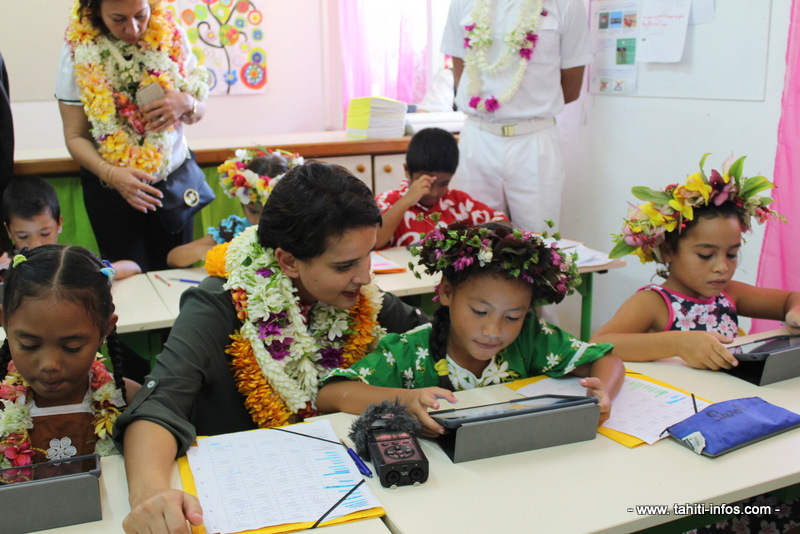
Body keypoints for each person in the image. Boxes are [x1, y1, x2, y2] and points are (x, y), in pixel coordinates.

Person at [116, 162, 430, 532]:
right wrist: (151, 495)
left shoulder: (360, 297)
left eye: (368, 256)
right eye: (345, 265)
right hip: (253, 504)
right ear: (287, 261)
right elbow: (158, 405)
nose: (365, 276)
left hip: (348, 495)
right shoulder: (219, 306)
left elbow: (431, 336)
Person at [317, 222, 624, 435]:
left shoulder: (530, 338)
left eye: (512, 317)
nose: (493, 330)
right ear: (447, 292)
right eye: (479, 311)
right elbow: (330, 395)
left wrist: (603, 396)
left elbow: (606, 359)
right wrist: (405, 400)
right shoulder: (412, 352)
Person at [592, 154, 800, 370]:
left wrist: (795, 312)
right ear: (668, 251)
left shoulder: (729, 294)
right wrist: (677, 344)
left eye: (731, 254)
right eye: (705, 255)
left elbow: (791, 299)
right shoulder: (653, 303)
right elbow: (600, 344)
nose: (722, 267)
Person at [56, 0, 210, 272]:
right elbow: (75, 136)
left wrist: (187, 103)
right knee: (128, 285)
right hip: (111, 188)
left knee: (176, 278)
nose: (134, 28)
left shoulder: (171, 34)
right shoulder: (77, 51)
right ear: (95, 12)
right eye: (118, 19)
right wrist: (112, 174)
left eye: (141, 14)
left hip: (171, 183)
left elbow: (198, 112)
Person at [440, 0, 592, 232]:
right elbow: (462, 70)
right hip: (479, 137)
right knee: (472, 239)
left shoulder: (567, 4)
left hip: (534, 138)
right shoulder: (463, 2)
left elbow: (571, 87)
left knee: (539, 240)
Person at [0, 245, 140, 478]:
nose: (50, 364)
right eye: (29, 345)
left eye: (71, 347)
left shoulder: (129, 400)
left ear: (105, 330)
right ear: (4, 322)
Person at [166, 148, 303, 268]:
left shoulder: (297, 233)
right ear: (242, 203)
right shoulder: (233, 230)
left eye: (271, 212)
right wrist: (206, 252)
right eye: (253, 211)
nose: (261, 220)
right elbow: (173, 258)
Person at [376, 127, 509, 248]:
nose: (434, 193)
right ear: (407, 170)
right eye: (425, 182)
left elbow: (503, 224)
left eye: (443, 184)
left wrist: (471, 238)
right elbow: (375, 242)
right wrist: (406, 201)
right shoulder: (386, 201)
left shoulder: (460, 203)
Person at [2, 176, 141, 280]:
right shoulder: (5, 268)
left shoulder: (70, 261)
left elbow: (134, 267)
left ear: (59, 223)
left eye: (45, 233)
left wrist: (100, 271)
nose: (35, 245)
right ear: (8, 231)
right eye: (23, 236)